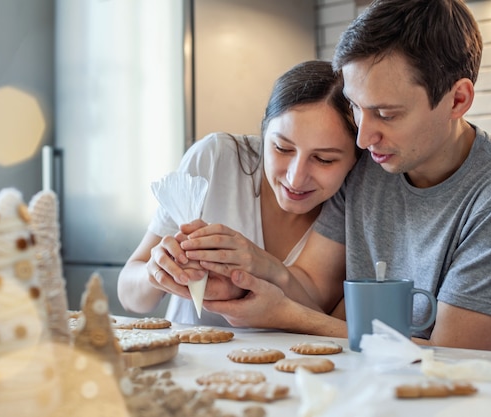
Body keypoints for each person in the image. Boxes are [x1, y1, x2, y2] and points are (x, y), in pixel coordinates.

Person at [199, 0, 491, 353]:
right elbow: (310, 287)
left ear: (457, 100)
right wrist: (244, 264)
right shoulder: (373, 163)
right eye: (355, 106)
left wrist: (287, 316)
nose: (362, 138)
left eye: (385, 114)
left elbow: (450, 354)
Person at [117, 60, 359, 326]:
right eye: (282, 148)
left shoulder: (357, 200)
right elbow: (130, 297)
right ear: (264, 131)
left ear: (357, 158)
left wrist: (260, 266)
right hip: (189, 360)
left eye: (324, 159)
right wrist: (157, 273)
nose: (295, 177)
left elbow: (316, 314)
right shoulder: (216, 159)